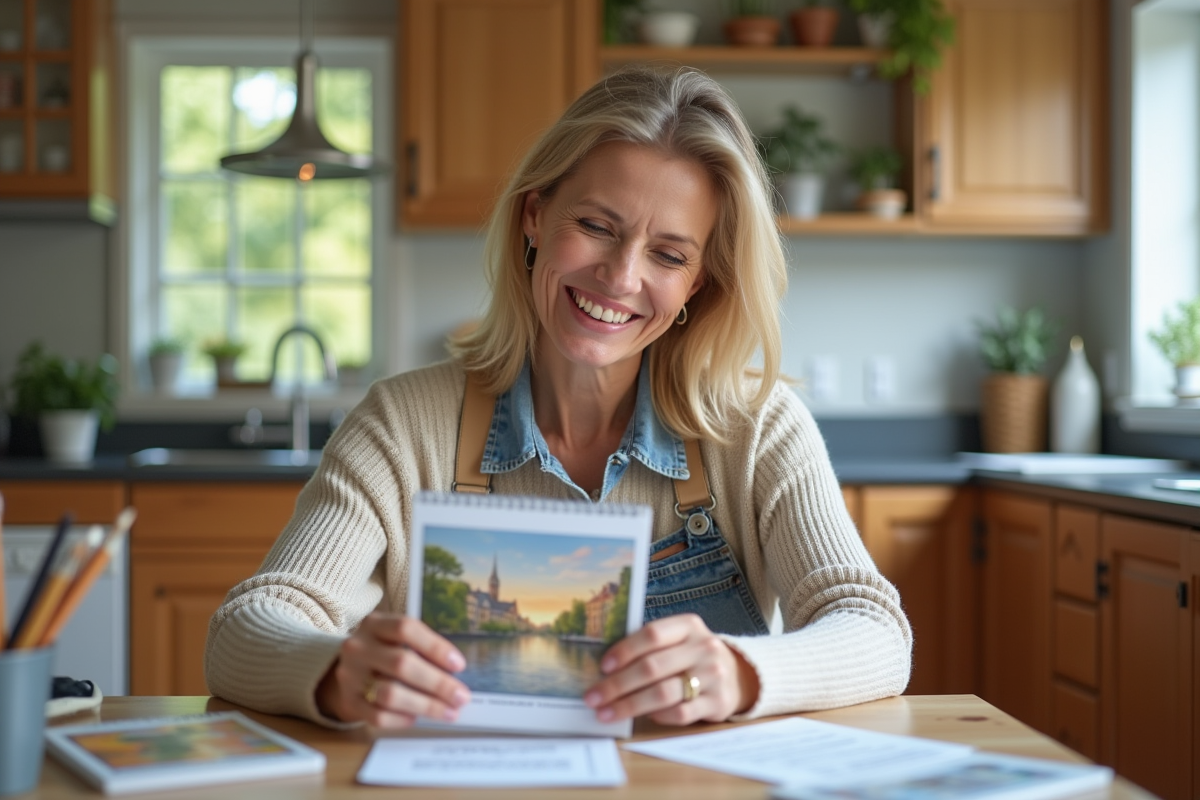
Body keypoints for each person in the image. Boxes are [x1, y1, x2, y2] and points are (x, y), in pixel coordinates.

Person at [205, 66, 912, 729]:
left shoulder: (758, 429)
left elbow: (875, 630)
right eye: (597, 226)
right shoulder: (402, 425)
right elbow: (248, 626)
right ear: (535, 218)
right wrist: (335, 670)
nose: (620, 276)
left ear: (697, 283)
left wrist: (738, 673)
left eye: (668, 254)